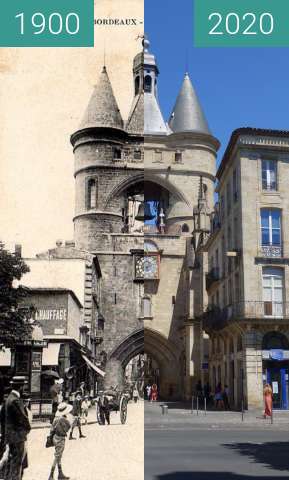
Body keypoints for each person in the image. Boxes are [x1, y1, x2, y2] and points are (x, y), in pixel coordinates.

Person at [3, 376, 31, 480]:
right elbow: (23, 419)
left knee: (12, 462)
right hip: (18, 437)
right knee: (17, 464)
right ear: (21, 387)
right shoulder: (16, 400)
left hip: (11, 437)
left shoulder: (8, 399)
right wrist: (27, 430)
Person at [48, 402, 72, 480]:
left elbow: (51, 429)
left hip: (55, 437)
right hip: (60, 438)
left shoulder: (56, 419)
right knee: (57, 457)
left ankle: (60, 473)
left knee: (58, 456)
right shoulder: (63, 419)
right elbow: (68, 427)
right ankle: (51, 475)